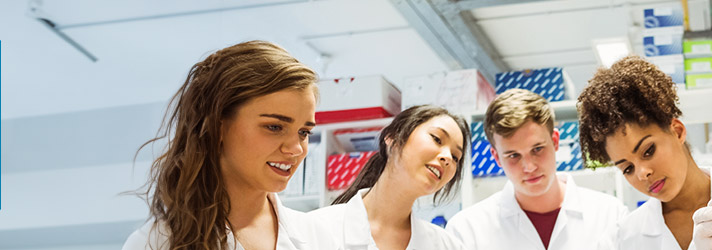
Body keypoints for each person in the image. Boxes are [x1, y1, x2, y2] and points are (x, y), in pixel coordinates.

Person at [123, 40, 324, 250]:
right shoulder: (156, 243)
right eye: (274, 127)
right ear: (216, 127)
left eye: (304, 132)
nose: (296, 149)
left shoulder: (318, 237)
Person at [576, 56, 712, 250]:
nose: (642, 173)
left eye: (648, 151)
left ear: (677, 131)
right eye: (627, 168)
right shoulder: (622, 240)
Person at [446, 89, 628, 250]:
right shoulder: (467, 230)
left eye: (537, 149)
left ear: (555, 141)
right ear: (496, 157)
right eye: (513, 156)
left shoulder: (610, 215)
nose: (529, 167)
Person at [308, 105, 470, 250]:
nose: (447, 157)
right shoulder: (314, 230)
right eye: (436, 139)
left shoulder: (446, 246)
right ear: (393, 138)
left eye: (455, 157)